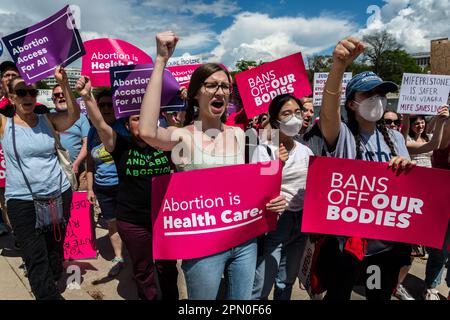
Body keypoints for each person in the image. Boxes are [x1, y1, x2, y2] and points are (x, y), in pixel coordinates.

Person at [138, 31, 286, 300]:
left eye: (225, 86)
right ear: (196, 94)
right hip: (201, 245)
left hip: (244, 241)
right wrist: (160, 60)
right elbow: (147, 131)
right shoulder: (183, 136)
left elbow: (253, 186)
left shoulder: (242, 136)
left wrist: (274, 200)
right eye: (211, 85)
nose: (220, 91)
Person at [317, 37, 416, 301]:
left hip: (385, 246)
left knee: (378, 295)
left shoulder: (394, 138)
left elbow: (410, 186)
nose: (377, 100)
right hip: (349, 244)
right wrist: (338, 67)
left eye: (381, 94)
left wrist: (407, 167)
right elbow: (328, 114)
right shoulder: (343, 136)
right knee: (338, 295)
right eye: (369, 94)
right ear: (351, 104)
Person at [76, 77, 178, 301]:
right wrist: (87, 96)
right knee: (143, 270)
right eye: (135, 118)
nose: (141, 122)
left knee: (168, 269)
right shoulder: (119, 145)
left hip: (164, 219)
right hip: (132, 220)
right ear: (126, 124)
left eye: (146, 118)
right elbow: (101, 125)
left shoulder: (166, 145)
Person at [0, 67, 80, 299]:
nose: (27, 97)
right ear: (12, 97)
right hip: (22, 201)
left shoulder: (47, 118)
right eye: (21, 92)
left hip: (58, 195)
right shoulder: (5, 123)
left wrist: (64, 83)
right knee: (35, 257)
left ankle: (52, 278)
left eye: (32, 93)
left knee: (55, 250)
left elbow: (73, 116)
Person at [251, 93, 313, 300]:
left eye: (297, 112)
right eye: (287, 113)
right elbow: (257, 190)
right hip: (276, 224)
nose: (294, 117)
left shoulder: (305, 151)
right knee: (262, 284)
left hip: (301, 223)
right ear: (276, 120)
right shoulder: (264, 150)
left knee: (286, 282)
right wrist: (277, 165)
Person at [86, 89, 125, 277]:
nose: (107, 108)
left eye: (111, 104)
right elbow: (90, 163)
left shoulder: (123, 127)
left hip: (125, 185)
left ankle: (138, 256)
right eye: (102, 105)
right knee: (112, 224)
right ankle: (119, 257)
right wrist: (90, 189)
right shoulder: (92, 131)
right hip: (103, 188)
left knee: (130, 224)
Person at [52, 84, 90, 190]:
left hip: (78, 171)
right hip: (54, 171)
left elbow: (87, 143)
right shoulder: (47, 117)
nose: (61, 96)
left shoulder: (81, 117)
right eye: (57, 94)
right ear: (52, 99)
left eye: (64, 94)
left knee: (81, 203)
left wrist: (76, 163)